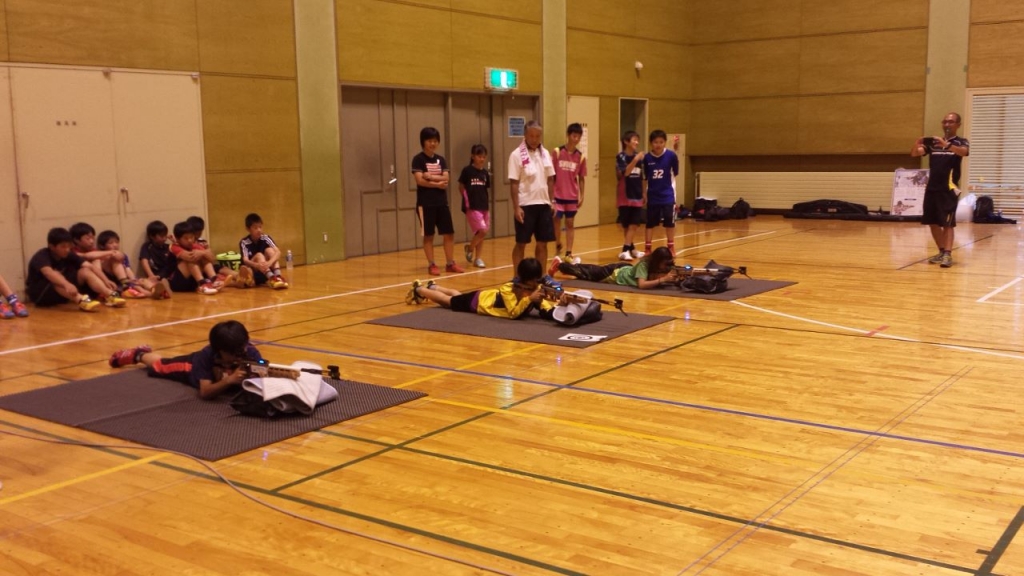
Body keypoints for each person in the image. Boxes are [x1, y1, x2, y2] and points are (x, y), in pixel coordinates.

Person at [108, 320, 262, 400]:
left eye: (241, 350)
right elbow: (205, 392)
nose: (239, 356)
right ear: (220, 350)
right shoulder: (206, 356)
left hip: (221, 376)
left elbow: (262, 371)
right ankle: (138, 354)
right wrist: (229, 381)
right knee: (161, 366)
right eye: (233, 354)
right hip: (190, 368)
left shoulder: (248, 351)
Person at [405, 257, 559, 319]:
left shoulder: (534, 287)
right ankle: (419, 289)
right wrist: (529, 299)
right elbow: (513, 312)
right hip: (479, 302)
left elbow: (544, 307)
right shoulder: (509, 289)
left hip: (481, 298)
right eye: (534, 280)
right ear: (526, 278)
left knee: (457, 296)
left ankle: (433, 286)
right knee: (448, 301)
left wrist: (558, 307)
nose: (537, 283)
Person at [911, 112, 970, 268]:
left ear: (958, 125)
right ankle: (941, 251)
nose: (947, 124)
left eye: (950, 122)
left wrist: (947, 145)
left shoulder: (961, 142)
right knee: (932, 221)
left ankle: (948, 255)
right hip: (932, 188)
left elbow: (964, 152)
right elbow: (915, 153)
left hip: (948, 188)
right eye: (945, 122)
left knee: (947, 223)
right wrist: (917, 144)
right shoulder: (933, 143)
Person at [25, 227, 127, 312]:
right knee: (57, 277)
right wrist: (67, 284)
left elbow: (90, 266)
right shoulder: (41, 256)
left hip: (63, 294)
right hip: (40, 295)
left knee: (85, 271)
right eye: (63, 247)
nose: (67, 250)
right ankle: (81, 300)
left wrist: (106, 280)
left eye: (69, 246)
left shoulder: (69, 254)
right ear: (52, 247)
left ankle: (109, 295)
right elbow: (49, 273)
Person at [412, 127, 463, 276]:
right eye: (429, 141)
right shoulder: (418, 159)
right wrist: (437, 184)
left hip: (442, 202)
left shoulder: (441, 159)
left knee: (449, 233)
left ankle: (450, 263)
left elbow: (446, 178)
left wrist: (431, 177)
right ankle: (432, 264)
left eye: (435, 141)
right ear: (423, 142)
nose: (432, 144)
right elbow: (420, 180)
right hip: (425, 204)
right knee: (429, 235)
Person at [509, 120, 556, 271]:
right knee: (521, 243)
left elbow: (550, 179)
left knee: (542, 243)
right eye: (531, 136)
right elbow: (514, 183)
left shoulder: (545, 153)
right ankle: (517, 276)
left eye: (537, 136)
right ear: (525, 135)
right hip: (525, 205)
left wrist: (552, 201)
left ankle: (541, 276)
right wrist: (516, 207)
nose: (535, 139)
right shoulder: (516, 155)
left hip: (543, 204)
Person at [549, 246, 678, 290]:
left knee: (588, 270)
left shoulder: (663, 266)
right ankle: (559, 265)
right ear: (657, 260)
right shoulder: (644, 264)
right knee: (586, 273)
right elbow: (642, 285)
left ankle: (569, 263)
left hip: (626, 268)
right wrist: (663, 279)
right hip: (614, 273)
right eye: (664, 263)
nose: (666, 266)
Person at [553, 123, 587, 264]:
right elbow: (551, 175)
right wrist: (550, 196)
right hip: (557, 195)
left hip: (572, 196)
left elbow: (582, 178)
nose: (576, 139)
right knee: (556, 220)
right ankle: (557, 243)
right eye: (574, 136)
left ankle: (569, 252)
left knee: (570, 223)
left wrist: (582, 195)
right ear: (568, 135)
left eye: (578, 137)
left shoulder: (581, 157)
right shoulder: (557, 152)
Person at [95, 230, 167, 299]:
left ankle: (155, 290)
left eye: (116, 242)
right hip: (114, 284)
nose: (115, 245)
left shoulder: (122, 255)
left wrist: (134, 280)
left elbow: (128, 269)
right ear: (102, 246)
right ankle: (153, 294)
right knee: (138, 288)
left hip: (126, 281)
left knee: (143, 281)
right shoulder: (100, 258)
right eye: (111, 243)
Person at [642, 130, 680, 256]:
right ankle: (648, 248)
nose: (658, 145)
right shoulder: (647, 158)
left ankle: (671, 246)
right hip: (653, 195)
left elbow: (675, 174)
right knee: (650, 223)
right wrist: (644, 194)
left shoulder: (671, 156)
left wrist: (674, 194)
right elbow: (645, 178)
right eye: (655, 142)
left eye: (661, 142)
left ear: (665, 142)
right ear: (651, 143)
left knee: (669, 222)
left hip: (667, 195)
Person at [69, 222, 126, 296]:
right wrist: (112, 252)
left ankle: (125, 284)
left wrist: (116, 254)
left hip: (100, 279)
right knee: (95, 260)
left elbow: (120, 257)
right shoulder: (72, 252)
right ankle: (103, 291)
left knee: (112, 258)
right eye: (88, 238)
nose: (92, 241)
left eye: (93, 238)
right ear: (76, 240)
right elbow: (88, 256)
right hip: (81, 283)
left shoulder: (93, 249)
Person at [458, 144, 491, 269]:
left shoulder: (485, 173)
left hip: (484, 206)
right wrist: (466, 199)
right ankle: (470, 248)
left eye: (484, 157)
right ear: (473, 156)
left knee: (481, 233)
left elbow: (485, 188)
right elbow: (461, 186)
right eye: (479, 156)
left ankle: (478, 258)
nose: (482, 159)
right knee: (482, 230)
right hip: (472, 206)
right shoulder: (467, 171)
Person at [616, 130, 646, 261]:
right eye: (634, 140)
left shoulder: (639, 159)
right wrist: (635, 159)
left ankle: (627, 249)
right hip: (625, 195)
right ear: (626, 141)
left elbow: (642, 177)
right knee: (627, 225)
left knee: (634, 224)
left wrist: (644, 192)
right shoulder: (621, 157)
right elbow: (626, 172)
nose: (637, 142)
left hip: (637, 194)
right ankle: (629, 249)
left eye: (637, 140)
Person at [239, 213, 288, 289]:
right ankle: (272, 278)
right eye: (255, 228)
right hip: (253, 270)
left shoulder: (265, 238)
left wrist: (269, 262)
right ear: (248, 229)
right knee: (259, 255)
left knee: (270, 250)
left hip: (265, 268)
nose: (259, 230)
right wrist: (256, 265)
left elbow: (278, 252)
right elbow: (245, 260)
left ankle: (278, 276)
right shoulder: (244, 242)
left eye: (260, 227)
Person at [170, 221, 219, 295]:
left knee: (203, 256)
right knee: (191, 259)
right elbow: (190, 257)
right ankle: (202, 284)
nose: (190, 240)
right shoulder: (174, 247)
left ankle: (214, 279)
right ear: (178, 239)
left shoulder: (195, 245)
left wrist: (203, 253)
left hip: (192, 281)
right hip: (177, 283)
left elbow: (212, 259)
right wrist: (203, 252)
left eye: (191, 237)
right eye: (186, 238)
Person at [139, 220, 177, 297]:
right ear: (152, 236)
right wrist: (151, 275)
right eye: (161, 236)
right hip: (153, 277)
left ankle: (164, 289)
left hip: (166, 276)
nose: (164, 238)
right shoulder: (147, 246)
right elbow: (144, 261)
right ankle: (157, 291)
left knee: (164, 280)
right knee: (142, 281)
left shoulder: (168, 247)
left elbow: (173, 262)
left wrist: (175, 242)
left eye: (165, 235)